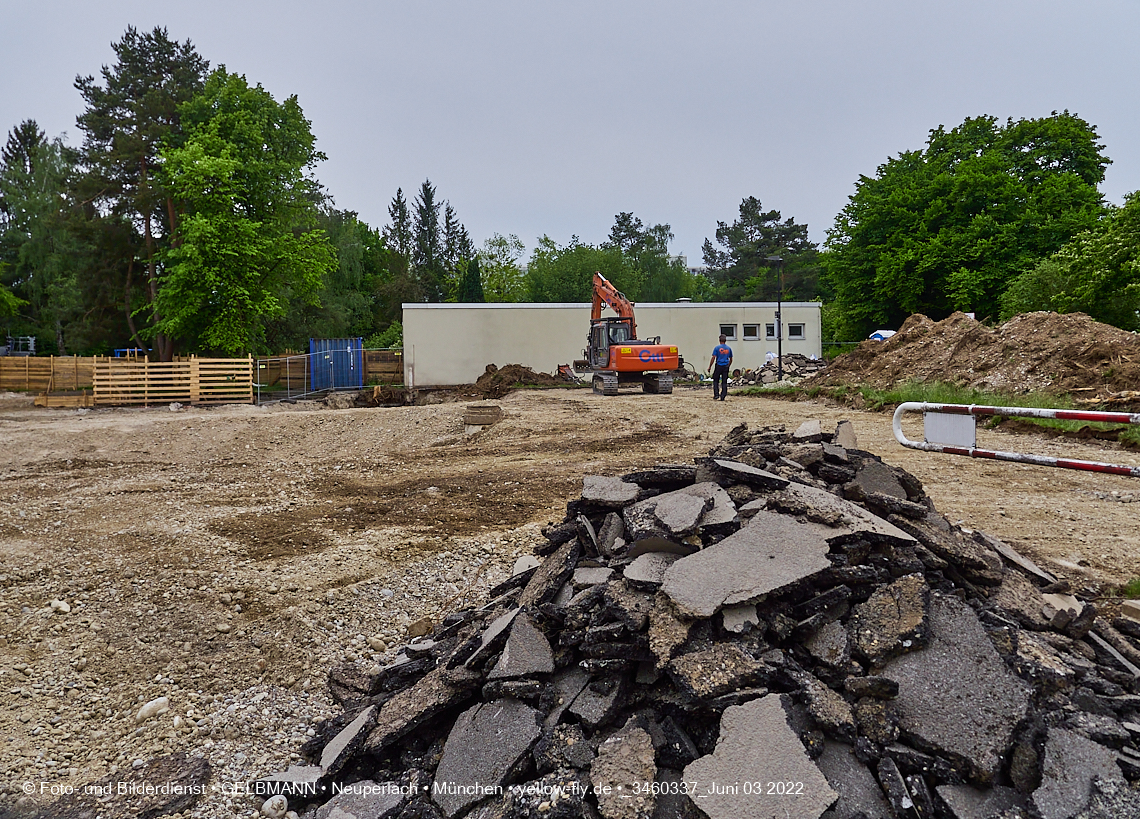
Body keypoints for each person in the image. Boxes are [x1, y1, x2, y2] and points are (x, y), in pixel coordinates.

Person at [707, 334, 733, 401]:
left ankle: (716, 395)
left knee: (716, 380)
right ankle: (723, 396)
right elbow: (731, 359)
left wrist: (710, 366)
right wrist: (728, 365)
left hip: (718, 365)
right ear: (725, 340)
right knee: (724, 381)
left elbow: (713, 357)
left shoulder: (717, 348)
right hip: (725, 366)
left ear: (719, 340)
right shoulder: (729, 348)